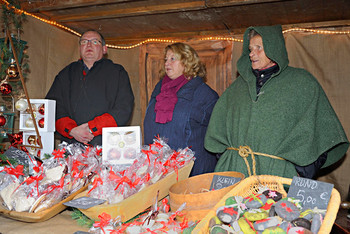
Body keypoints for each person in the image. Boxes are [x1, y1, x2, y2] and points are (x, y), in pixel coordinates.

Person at [205, 25, 349, 179]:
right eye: (250, 49)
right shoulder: (237, 88)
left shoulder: (301, 83)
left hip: (278, 176)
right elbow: (217, 130)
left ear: (274, 48)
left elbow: (324, 133)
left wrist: (301, 169)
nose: (252, 54)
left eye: (259, 48)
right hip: (236, 174)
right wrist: (229, 159)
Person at [46, 30, 134, 146]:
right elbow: (52, 107)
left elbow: (124, 108)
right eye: (84, 42)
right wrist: (72, 130)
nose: (89, 45)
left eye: (94, 42)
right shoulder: (66, 73)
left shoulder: (117, 72)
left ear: (104, 49)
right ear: (79, 48)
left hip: (106, 147)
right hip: (71, 146)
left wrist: (92, 128)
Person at [143, 42, 219, 176]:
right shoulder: (159, 90)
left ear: (187, 62)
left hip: (192, 172)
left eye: (173, 59)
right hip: (160, 171)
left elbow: (218, 135)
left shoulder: (204, 94)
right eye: (166, 59)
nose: (167, 63)